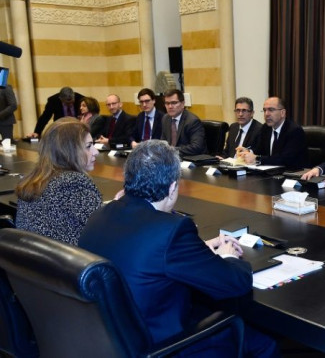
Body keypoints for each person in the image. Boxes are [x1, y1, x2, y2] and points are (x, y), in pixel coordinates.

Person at [79, 140, 277, 357]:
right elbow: (235, 284)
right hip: (160, 346)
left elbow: (148, 255)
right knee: (264, 343)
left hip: (108, 342)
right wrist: (228, 257)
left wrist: (199, 250)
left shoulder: (99, 215)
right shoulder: (171, 230)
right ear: (173, 187)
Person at [15, 118, 102, 245]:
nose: (96, 152)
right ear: (69, 150)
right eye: (88, 146)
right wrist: (119, 205)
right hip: (75, 262)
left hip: (33, 262)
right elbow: (105, 228)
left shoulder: (32, 180)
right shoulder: (73, 183)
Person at [240, 96, 307, 169]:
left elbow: (284, 159)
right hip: (271, 174)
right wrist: (248, 151)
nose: (266, 114)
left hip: (292, 174)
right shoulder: (266, 128)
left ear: (282, 113)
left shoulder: (294, 131)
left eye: (271, 110)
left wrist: (257, 159)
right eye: (264, 110)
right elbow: (259, 149)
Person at [161, 89, 206, 156]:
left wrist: (171, 150)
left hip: (191, 159)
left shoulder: (192, 121)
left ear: (182, 104)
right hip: (172, 158)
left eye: (174, 103)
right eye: (167, 103)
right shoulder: (166, 118)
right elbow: (163, 142)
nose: (170, 106)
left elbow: (196, 147)